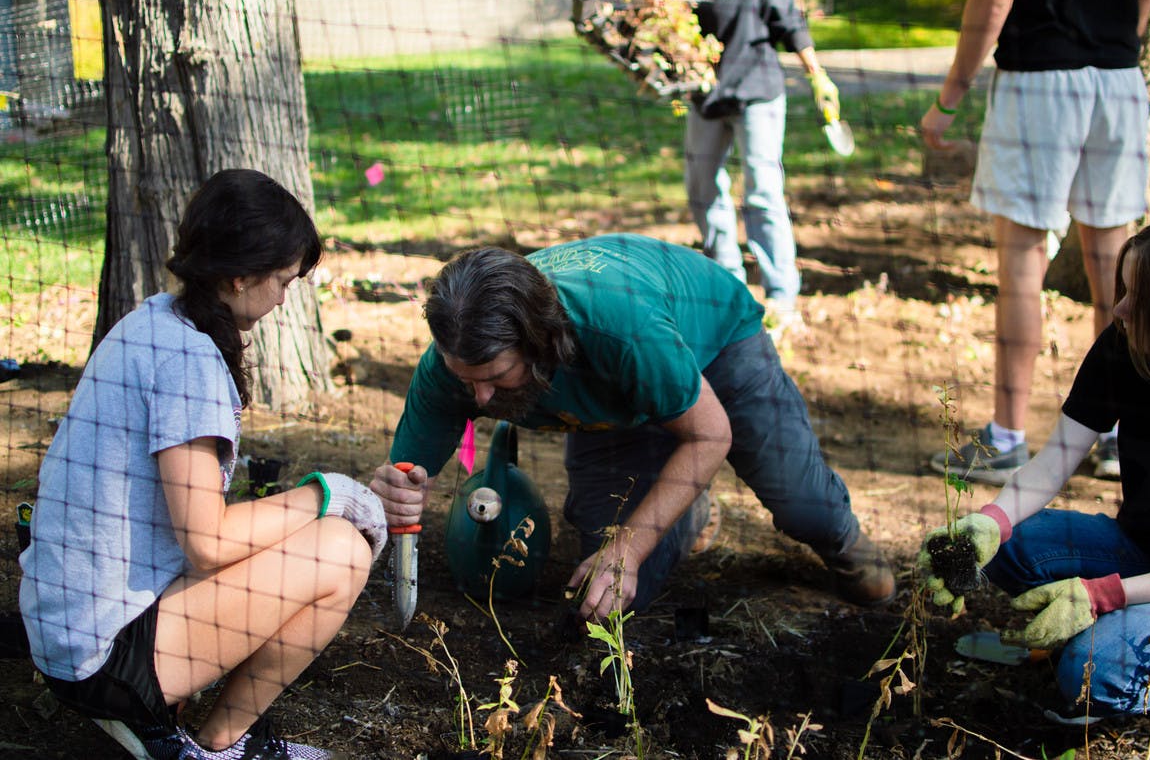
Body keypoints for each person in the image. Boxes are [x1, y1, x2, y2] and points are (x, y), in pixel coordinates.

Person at [19, 169, 386, 760]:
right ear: (240, 276)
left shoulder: (157, 319)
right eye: (283, 282)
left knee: (298, 537)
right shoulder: (190, 363)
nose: (284, 298)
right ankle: (218, 747)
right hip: (99, 655)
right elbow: (209, 543)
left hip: (66, 627)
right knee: (341, 549)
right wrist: (330, 493)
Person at [371, 233, 894, 621]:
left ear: (541, 342)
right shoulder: (455, 360)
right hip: (616, 402)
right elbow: (407, 473)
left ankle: (845, 543)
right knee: (606, 596)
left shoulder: (620, 329)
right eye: (468, 381)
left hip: (712, 344)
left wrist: (630, 546)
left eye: (495, 378)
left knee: (804, 505)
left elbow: (712, 433)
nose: (479, 399)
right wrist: (398, 494)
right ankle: (688, 508)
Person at [918, 215, 1150, 716]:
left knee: (1089, 673)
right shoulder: (1123, 344)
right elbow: (1054, 462)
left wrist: (1104, 595)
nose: (1120, 307)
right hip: (1145, 551)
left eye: (1140, 297)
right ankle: (1130, 629)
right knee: (1012, 544)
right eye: (1124, 288)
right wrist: (990, 522)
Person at [920, 0, 1150, 485]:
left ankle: (1006, 438)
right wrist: (1113, 48)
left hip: (1038, 82)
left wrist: (948, 99)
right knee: (1116, 271)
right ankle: (1117, 435)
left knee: (1023, 269)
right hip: (1119, 80)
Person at [648, 0, 842, 330]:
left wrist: (818, 75)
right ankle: (728, 288)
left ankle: (782, 298)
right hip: (704, 94)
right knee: (701, 186)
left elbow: (791, 25)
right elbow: (652, 8)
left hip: (758, 93)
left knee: (763, 191)